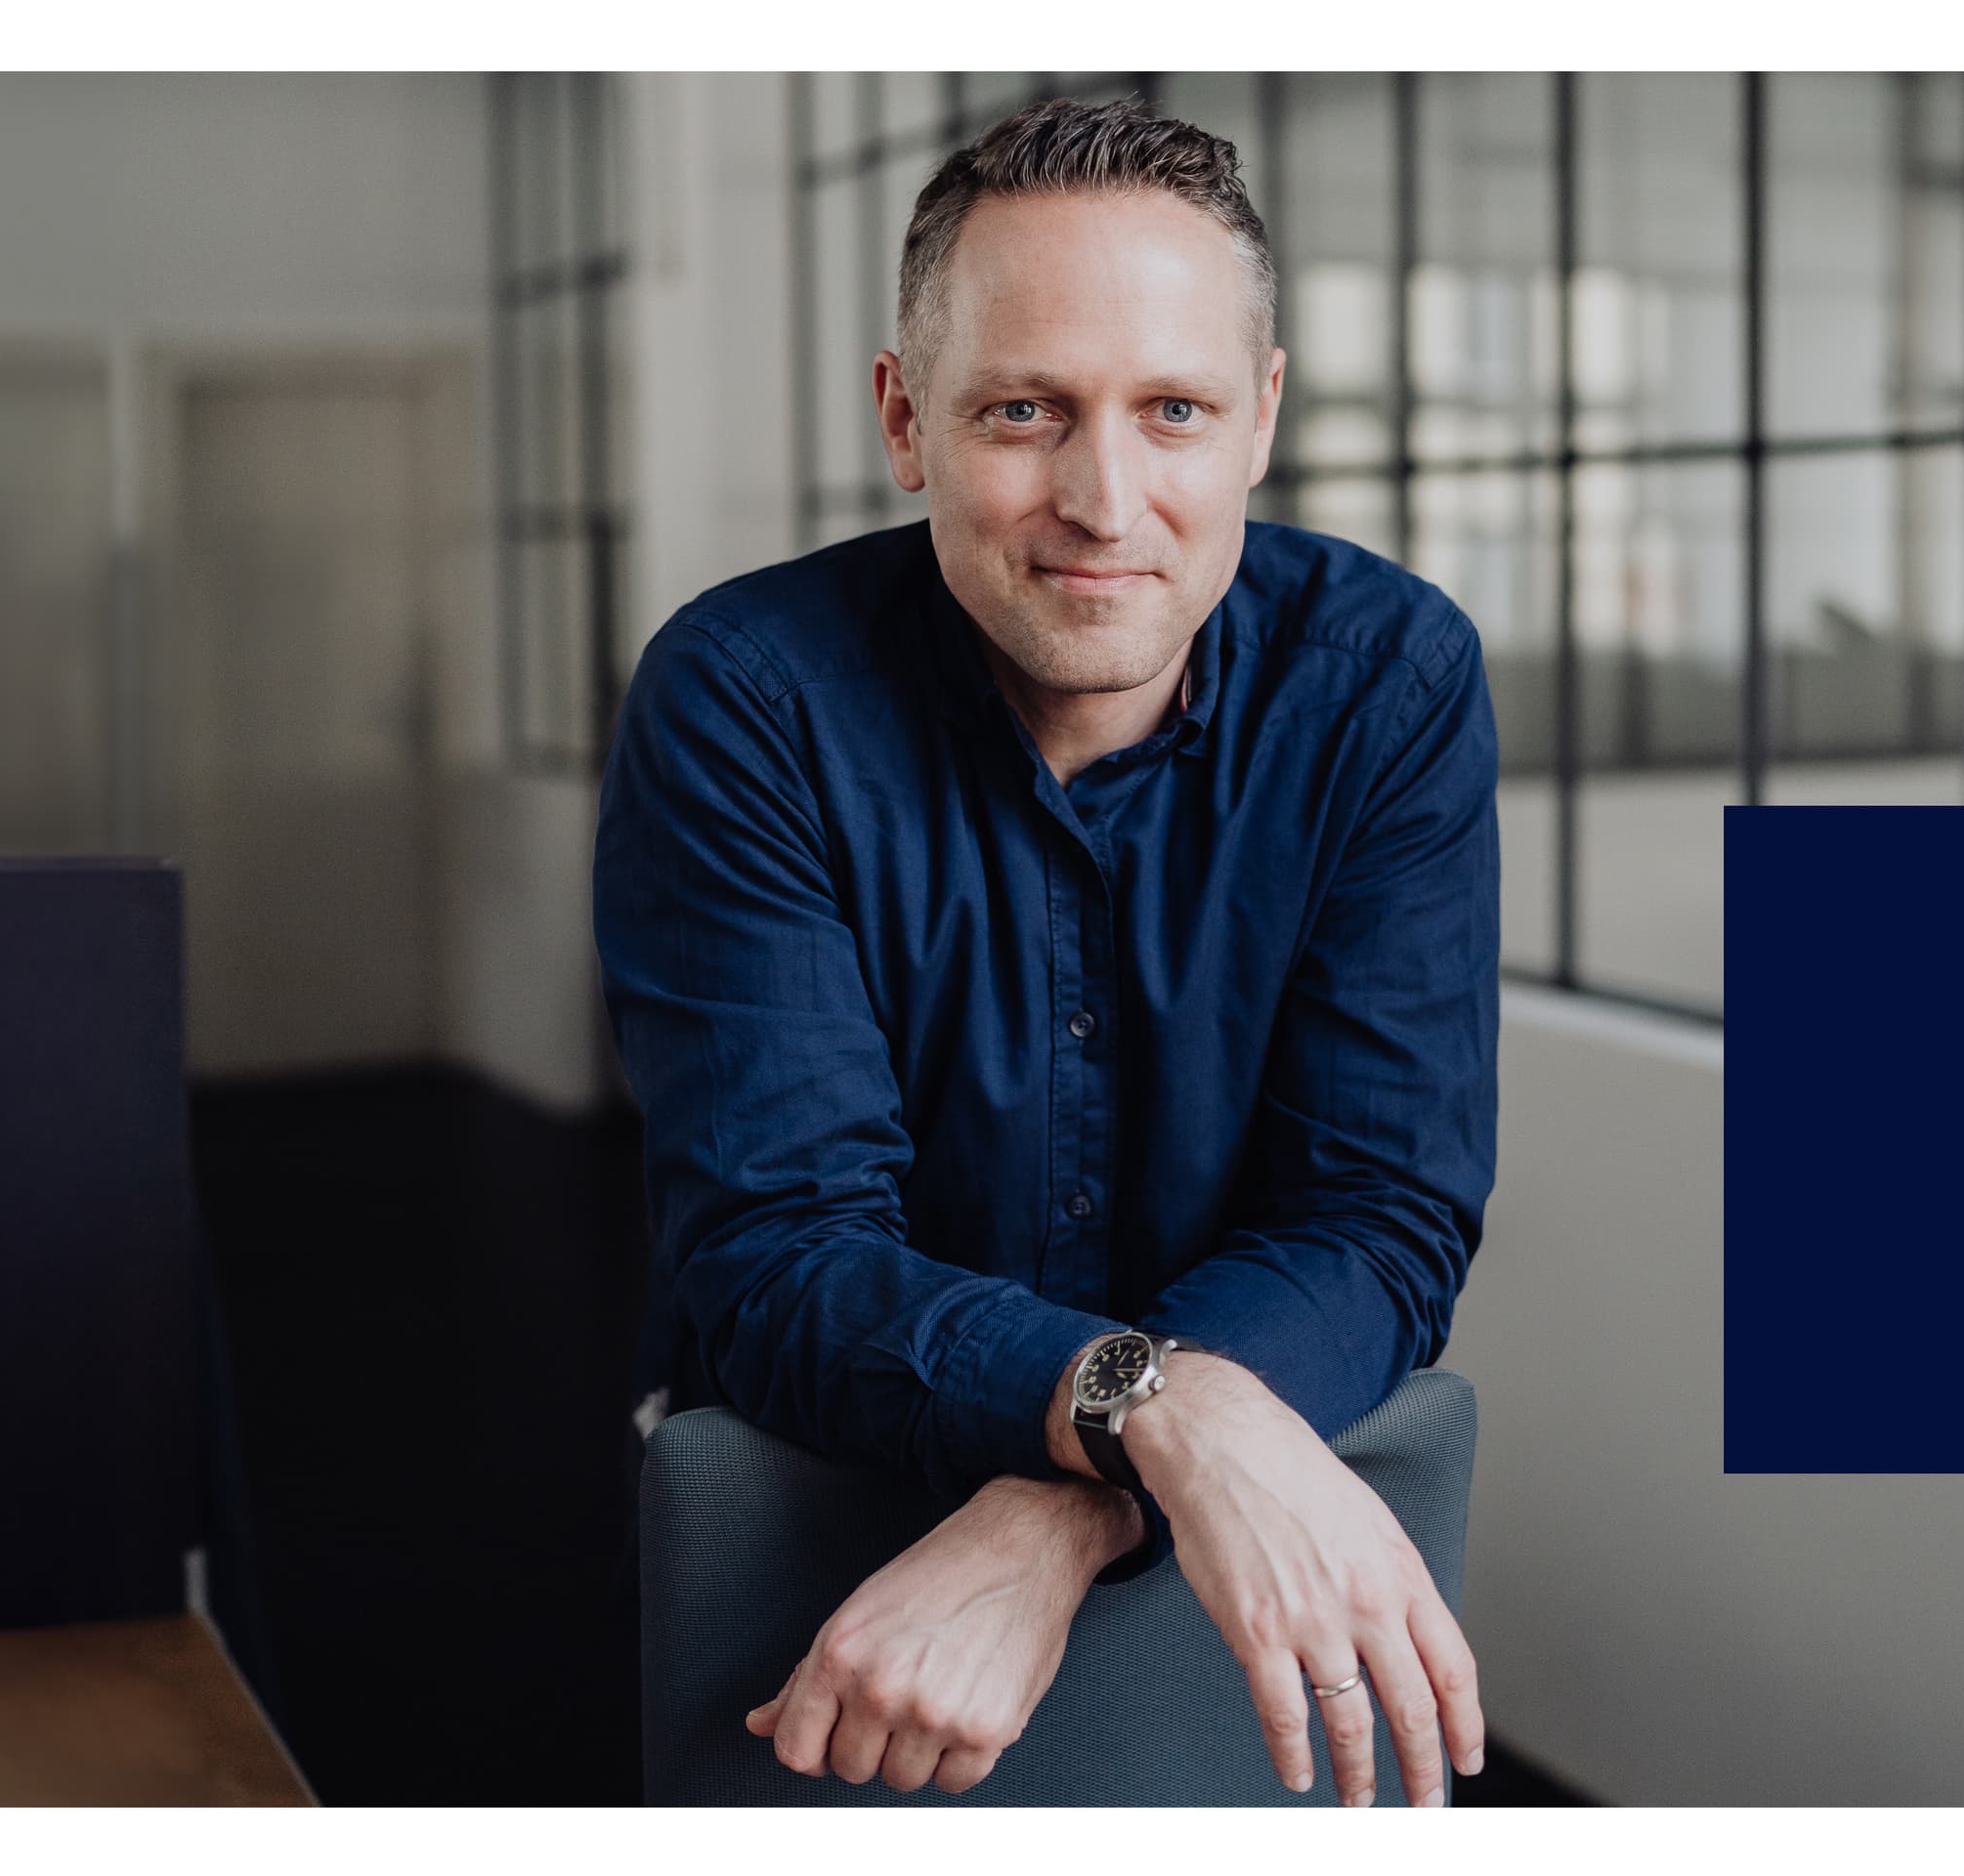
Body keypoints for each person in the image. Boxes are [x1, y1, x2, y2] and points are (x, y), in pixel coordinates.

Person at [593, 96, 1497, 1809]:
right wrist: (1165, 1420)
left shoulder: (1388, 686)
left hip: (1241, 1558)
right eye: (1025, 411)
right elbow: (779, 1254)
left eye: (1174, 411)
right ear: (904, 417)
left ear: (1265, 420)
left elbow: (1381, 1217)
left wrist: (1077, 1485)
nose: (1105, 498)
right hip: (826, 1557)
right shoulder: (743, 700)